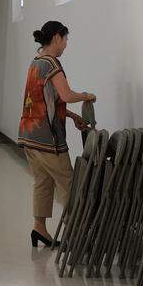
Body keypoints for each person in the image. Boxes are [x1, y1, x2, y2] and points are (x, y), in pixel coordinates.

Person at [17, 20, 95, 248]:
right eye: (66, 39)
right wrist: (88, 96)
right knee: (69, 184)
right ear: (57, 38)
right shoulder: (51, 64)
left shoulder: (35, 63)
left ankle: (39, 228)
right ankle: (77, 234)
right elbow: (67, 94)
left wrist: (71, 117)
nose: (66, 45)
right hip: (47, 139)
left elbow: (49, 100)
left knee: (43, 182)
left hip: (28, 135)